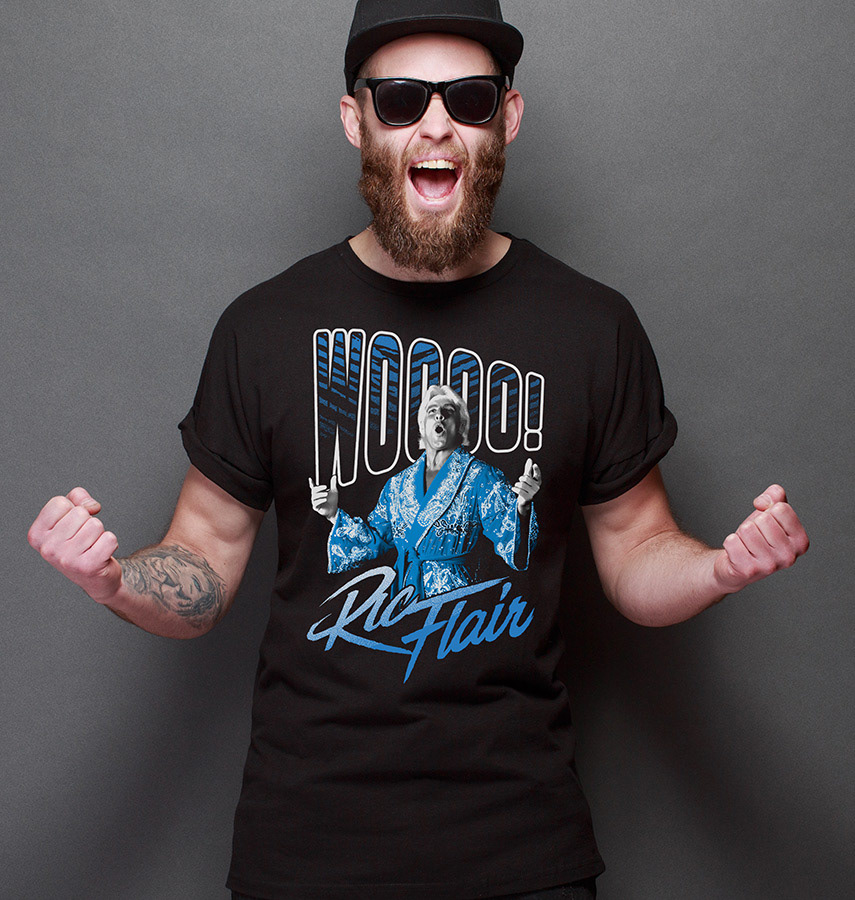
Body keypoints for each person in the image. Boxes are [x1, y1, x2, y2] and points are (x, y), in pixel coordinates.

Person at [27, 2, 810, 898]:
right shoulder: (264, 328)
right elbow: (203, 555)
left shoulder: (592, 327)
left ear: (506, 118)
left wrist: (718, 570)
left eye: (468, 98)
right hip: (307, 846)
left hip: (519, 844)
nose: (435, 124)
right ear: (355, 119)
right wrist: (115, 580)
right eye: (400, 99)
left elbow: (636, 550)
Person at [310, 384, 541, 601]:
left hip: (457, 603)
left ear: (461, 426)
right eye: (432, 411)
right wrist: (333, 514)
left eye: (448, 411)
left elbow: (509, 536)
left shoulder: (481, 477)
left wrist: (523, 507)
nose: (439, 415)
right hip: (404, 598)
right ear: (422, 426)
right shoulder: (397, 485)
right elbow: (375, 538)